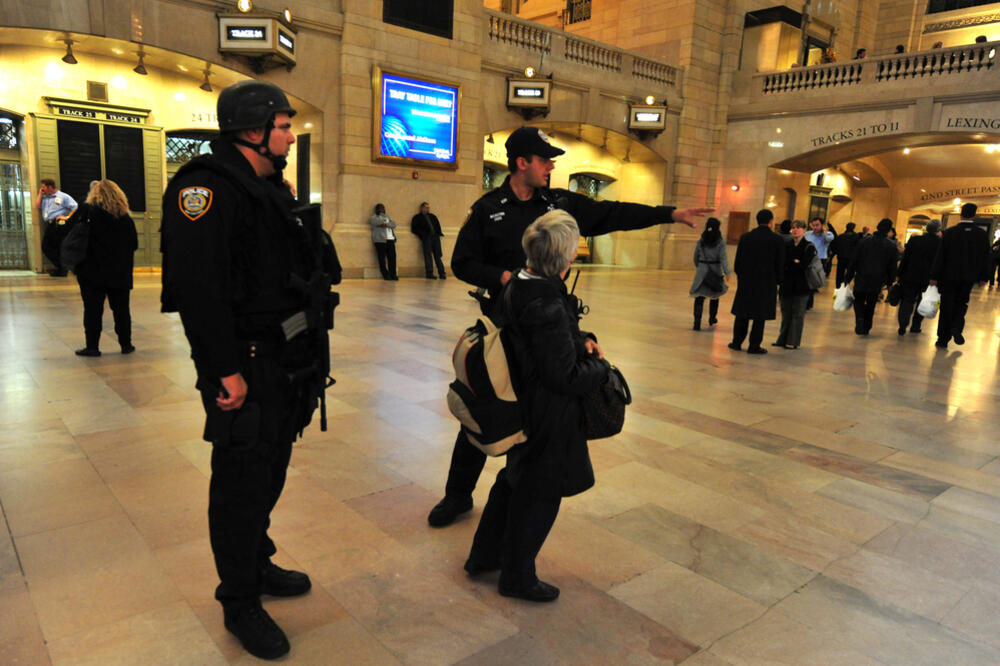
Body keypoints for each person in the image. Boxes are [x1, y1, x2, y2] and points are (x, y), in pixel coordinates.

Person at [428, 125, 710, 528]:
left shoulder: (556, 203)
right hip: (505, 331)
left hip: (549, 328)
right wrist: (502, 277)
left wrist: (669, 214)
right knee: (484, 407)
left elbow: (613, 214)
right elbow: (462, 263)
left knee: (538, 418)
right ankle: (457, 495)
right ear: (522, 162)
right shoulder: (489, 208)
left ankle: (516, 496)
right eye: (544, 159)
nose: (551, 166)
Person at [160, 80, 334, 660]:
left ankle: (256, 565)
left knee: (269, 471)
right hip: (246, 368)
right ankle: (239, 601)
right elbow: (197, 291)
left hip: (283, 362)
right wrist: (221, 373)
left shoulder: (265, 188)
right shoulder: (205, 189)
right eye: (283, 125)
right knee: (239, 485)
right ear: (253, 129)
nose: (290, 134)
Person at [464, 210, 608, 602]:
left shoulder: (521, 283)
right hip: (547, 413)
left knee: (514, 481)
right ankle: (517, 576)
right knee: (541, 493)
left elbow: (545, 342)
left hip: (521, 404)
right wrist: (601, 366)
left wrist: (581, 339)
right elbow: (564, 377)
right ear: (563, 258)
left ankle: (484, 556)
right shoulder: (544, 300)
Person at [70, 179, 138, 357]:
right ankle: (126, 345)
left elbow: (74, 236)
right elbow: (134, 244)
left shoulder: (87, 212)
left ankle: (92, 347)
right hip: (120, 272)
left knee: (92, 310)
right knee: (122, 310)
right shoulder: (125, 218)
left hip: (91, 271)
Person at [930, 203, 991, 348]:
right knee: (961, 303)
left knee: (946, 305)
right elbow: (985, 257)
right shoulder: (981, 235)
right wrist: (984, 276)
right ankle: (957, 326)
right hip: (969, 277)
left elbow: (941, 256)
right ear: (974, 215)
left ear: (960, 214)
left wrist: (934, 275)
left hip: (948, 277)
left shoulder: (950, 233)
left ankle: (942, 339)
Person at [728, 209, 785, 354]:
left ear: (757, 221)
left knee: (742, 314)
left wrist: (742, 277)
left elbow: (738, 263)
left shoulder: (746, 237)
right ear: (771, 222)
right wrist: (777, 280)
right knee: (760, 316)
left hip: (746, 283)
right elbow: (780, 264)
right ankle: (754, 346)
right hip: (766, 283)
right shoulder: (777, 240)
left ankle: (736, 342)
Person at [845, 218, 898, 335]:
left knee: (858, 299)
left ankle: (859, 317)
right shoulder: (891, 246)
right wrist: (890, 282)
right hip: (877, 279)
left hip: (861, 276)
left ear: (877, 227)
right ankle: (866, 326)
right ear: (889, 230)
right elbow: (892, 266)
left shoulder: (864, 241)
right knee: (871, 303)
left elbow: (854, 261)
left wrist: (847, 278)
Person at [773, 220, 817, 349]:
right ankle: (782, 339)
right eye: (793, 228)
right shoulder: (786, 245)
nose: (795, 230)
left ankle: (792, 341)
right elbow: (782, 262)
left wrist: (792, 263)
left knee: (797, 314)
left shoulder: (808, 246)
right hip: (786, 285)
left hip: (801, 286)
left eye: (798, 228)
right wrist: (794, 262)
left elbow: (803, 265)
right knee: (786, 314)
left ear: (804, 230)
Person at [896, 219, 941, 335]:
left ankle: (902, 324)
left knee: (907, 300)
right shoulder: (940, 243)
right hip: (928, 278)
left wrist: (899, 274)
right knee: (923, 301)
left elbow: (905, 258)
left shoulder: (915, 240)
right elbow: (940, 262)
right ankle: (916, 325)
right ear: (938, 230)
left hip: (910, 275)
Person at [689, 217, 730, 330]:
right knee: (714, 295)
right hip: (715, 270)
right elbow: (723, 258)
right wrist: (727, 272)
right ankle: (712, 318)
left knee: (699, 297)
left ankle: (697, 323)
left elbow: (695, 257)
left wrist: (700, 267)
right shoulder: (720, 242)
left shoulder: (701, 241)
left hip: (702, 271)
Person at [36, 178, 78, 276]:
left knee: (55, 247)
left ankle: (62, 269)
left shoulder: (63, 196)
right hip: (50, 224)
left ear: (49, 187)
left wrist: (67, 217)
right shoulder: (45, 198)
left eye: (43, 187)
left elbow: (75, 207)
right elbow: (37, 206)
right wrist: (40, 194)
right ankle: (61, 268)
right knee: (48, 247)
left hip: (59, 224)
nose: (42, 188)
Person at [411, 201, 446, 279]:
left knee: (438, 255)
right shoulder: (417, 217)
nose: (428, 209)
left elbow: (437, 226)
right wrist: (423, 235)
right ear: (422, 208)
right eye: (426, 207)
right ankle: (429, 273)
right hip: (427, 238)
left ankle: (442, 273)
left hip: (435, 238)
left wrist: (438, 233)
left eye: (428, 208)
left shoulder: (433, 216)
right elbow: (414, 228)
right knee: (428, 255)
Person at [369, 203, 398, 280]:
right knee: (382, 258)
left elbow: (394, 224)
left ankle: (393, 274)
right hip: (380, 240)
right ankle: (385, 274)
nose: (382, 210)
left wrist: (385, 224)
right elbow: (376, 222)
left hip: (390, 239)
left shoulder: (388, 217)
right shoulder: (374, 217)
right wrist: (385, 222)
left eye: (383, 208)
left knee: (392, 258)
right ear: (377, 209)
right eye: (380, 208)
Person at [829, 222, 861, 287]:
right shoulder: (857, 237)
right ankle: (845, 283)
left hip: (841, 257)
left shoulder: (841, 236)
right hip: (851, 258)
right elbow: (858, 248)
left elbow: (835, 246)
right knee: (850, 272)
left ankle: (838, 286)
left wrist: (836, 253)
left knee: (840, 273)